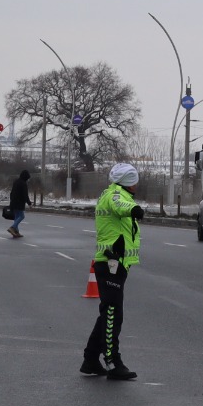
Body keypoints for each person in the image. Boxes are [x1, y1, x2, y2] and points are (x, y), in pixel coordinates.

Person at [83, 162, 144, 380]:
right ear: (128, 181)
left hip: (116, 262)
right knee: (112, 314)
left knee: (107, 313)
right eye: (135, 179)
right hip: (111, 261)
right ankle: (112, 360)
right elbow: (120, 207)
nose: (137, 183)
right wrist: (134, 210)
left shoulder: (113, 193)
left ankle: (90, 359)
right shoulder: (116, 195)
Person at [7, 169, 32, 238]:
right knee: (21, 216)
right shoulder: (23, 184)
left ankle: (16, 232)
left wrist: (11, 201)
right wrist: (29, 203)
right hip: (19, 203)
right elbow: (25, 195)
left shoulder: (16, 182)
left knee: (16, 217)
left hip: (13, 202)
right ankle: (12, 227)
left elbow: (11, 193)